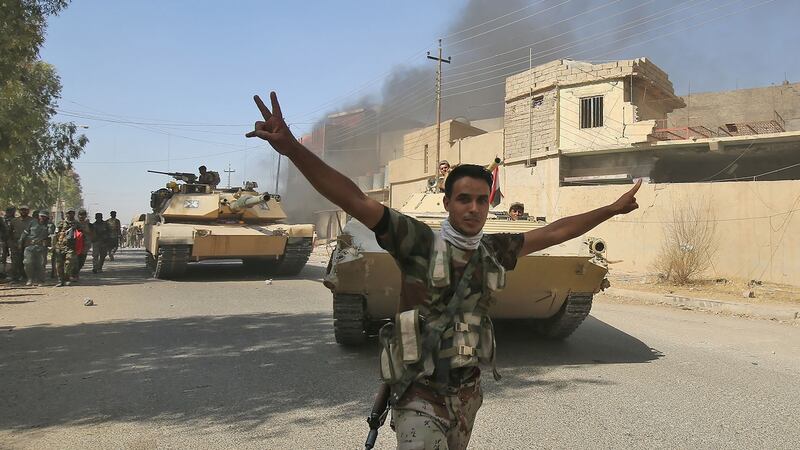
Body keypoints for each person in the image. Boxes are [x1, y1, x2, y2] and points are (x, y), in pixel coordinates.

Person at [245, 92, 641, 449]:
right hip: (419, 393)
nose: (473, 208)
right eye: (464, 199)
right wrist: (291, 147)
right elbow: (353, 197)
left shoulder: (493, 249)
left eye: (482, 201)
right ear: (448, 202)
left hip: (467, 394)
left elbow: (553, 233)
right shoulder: (415, 240)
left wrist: (610, 209)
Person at [19, 211, 51, 286]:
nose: (42, 218)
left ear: (47, 217)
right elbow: (25, 233)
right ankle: (30, 279)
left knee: (41, 264)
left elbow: (51, 233)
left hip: (42, 247)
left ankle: (40, 280)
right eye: (41, 216)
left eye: (44, 216)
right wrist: (20, 241)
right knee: (28, 263)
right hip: (30, 246)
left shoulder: (49, 224)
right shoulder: (32, 222)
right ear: (38, 216)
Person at [53, 210, 78, 287]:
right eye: (68, 213)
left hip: (71, 247)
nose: (70, 215)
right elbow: (55, 234)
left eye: (72, 213)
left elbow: (82, 234)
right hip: (60, 246)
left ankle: (67, 278)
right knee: (59, 264)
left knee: (69, 262)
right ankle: (60, 280)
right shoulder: (61, 223)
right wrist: (54, 246)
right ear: (66, 214)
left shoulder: (77, 224)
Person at [9, 206, 34, 283]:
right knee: (15, 261)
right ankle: (15, 278)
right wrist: (11, 243)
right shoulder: (14, 221)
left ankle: (26, 277)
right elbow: (10, 232)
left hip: (28, 244)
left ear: (28, 211)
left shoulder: (32, 220)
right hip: (16, 243)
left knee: (27, 261)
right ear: (19, 211)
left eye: (25, 210)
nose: (23, 211)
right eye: (22, 210)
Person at [73, 209, 92, 279]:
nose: (81, 217)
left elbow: (90, 233)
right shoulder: (75, 223)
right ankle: (74, 274)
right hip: (76, 244)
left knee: (81, 262)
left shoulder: (88, 224)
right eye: (80, 215)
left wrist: (83, 230)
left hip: (85, 245)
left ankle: (76, 272)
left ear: (85, 216)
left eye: (83, 215)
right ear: (78, 216)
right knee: (75, 261)